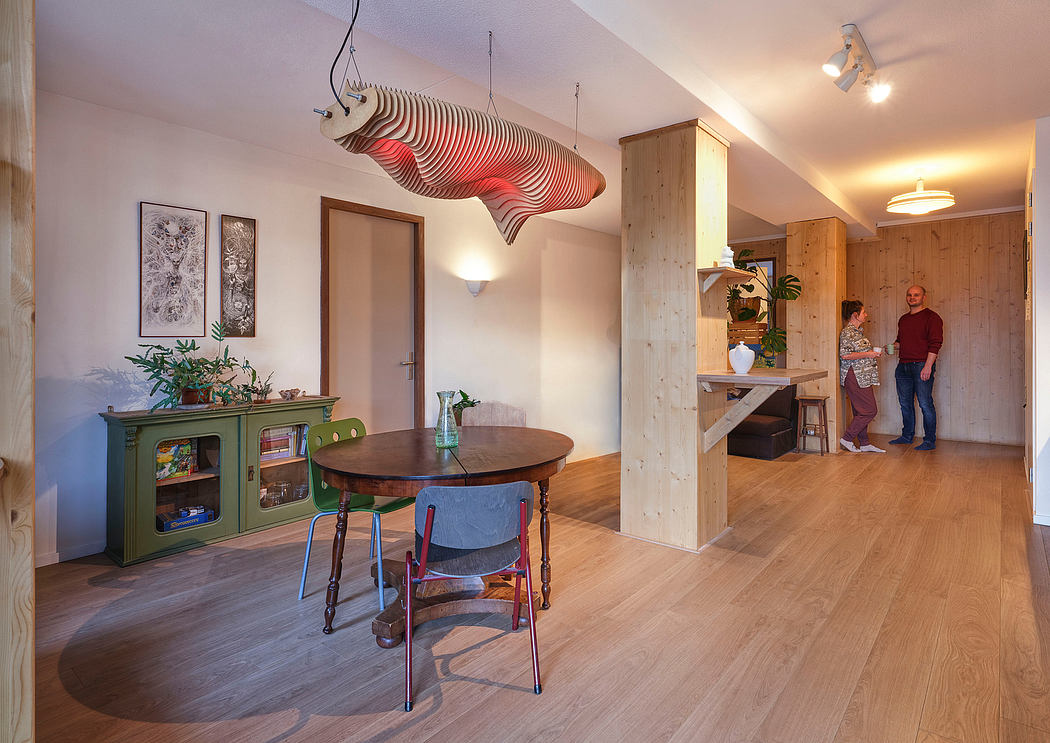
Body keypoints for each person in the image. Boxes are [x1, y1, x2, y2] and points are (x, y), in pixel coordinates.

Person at [890, 285, 943, 451]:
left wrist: (928, 367)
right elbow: (901, 341)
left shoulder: (932, 317)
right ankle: (907, 436)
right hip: (903, 366)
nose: (912, 297)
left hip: (921, 365)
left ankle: (929, 441)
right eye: (909, 295)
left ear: (923, 297)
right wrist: (892, 346)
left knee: (925, 403)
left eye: (916, 295)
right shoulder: (903, 319)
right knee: (905, 404)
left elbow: (935, 344)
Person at [838, 300, 884, 453]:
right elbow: (845, 355)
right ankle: (847, 438)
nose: (866, 315)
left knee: (860, 411)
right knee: (869, 410)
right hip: (855, 376)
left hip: (863, 376)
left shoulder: (858, 332)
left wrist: (871, 354)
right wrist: (869, 354)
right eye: (863, 312)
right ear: (855, 315)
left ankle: (864, 443)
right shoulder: (847, 332)